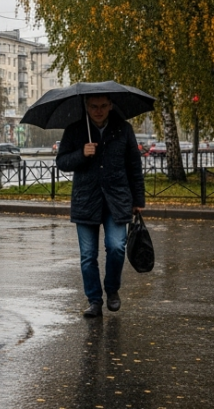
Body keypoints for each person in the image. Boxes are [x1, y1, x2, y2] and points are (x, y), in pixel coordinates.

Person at [56, 94, 146, 317]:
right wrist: (82, 153)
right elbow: (62, 162)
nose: (98, 110)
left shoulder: (123, 129)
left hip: (117, 199)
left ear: (111, 106)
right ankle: (94, 300)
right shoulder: (75, 130)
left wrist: (138, 200)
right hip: (86, 199)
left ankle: (112, 289)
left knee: (116, 247)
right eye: (94, 106)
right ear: (86, 107)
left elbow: (134, 165)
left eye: (103, 106)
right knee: (88, 255)